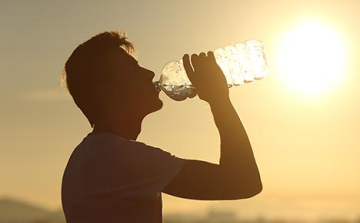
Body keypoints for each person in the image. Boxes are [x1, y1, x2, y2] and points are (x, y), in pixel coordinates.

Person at [61, 30, 262, 223]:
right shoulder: (117, 157)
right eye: (133, 70)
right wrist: (219, 100)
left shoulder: (88, 156)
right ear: (108, 93)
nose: (149, 73)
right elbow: (243, 182)